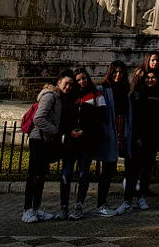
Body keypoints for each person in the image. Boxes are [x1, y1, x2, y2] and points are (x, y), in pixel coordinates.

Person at [23, 70, 75, 223]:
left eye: (71, 85)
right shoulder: (50, 96)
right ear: (59, 82)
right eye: (66, 84)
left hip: (47, 141)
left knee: (41, 176)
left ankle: (37, 208)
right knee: (33, 176)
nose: (68, 87)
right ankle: (27, 210)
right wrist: (55, 131)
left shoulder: (60, 98)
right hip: (39, 140)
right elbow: (39, 118)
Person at [61, 68, 105, 220]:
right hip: (70, 141)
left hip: (87, 141)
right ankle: (64, 207)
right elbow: (64, 118)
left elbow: (101, 119)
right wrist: (70, 130)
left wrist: (85, 131)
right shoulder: (70, 96)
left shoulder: (96, 95)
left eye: (84, 78)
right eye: (78, 79)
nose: (81, 82)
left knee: (83, 174)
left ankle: (79, 206)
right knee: (66, 174)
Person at [120, 68, 159, 212]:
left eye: (153, 77)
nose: (150, 80)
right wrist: (137, 137)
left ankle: (142, 197)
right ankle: (127, 200)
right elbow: (134, 119)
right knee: (133, 171)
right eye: (148, 77)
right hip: (138, 139)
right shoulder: (136, 95)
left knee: (147, 170)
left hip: (153, 139)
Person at [96, 61, 130, 217]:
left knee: (112, 168)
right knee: (107, 169)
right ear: (110, 72)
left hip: (121, 130)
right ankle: (100, 203)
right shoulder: (102, 90)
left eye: (121, 72)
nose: (118, 75)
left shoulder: (125, 90)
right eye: (115, 71)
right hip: (109, 131)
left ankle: (103, 202)